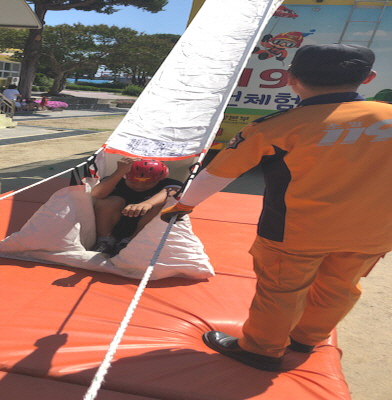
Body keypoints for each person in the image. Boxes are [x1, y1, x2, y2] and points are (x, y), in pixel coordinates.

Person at [161, 44, 392, 371]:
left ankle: (261, 349)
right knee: (340, 286)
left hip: (296, 231)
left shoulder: (275, 127)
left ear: (290, 78)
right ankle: (308, 338)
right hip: (375, 232)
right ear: (368, 78)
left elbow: (217, 175)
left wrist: (182, 205)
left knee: (281, 291)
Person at [91, 157, 182, 256]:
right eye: (133, 182)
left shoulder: (170, 184)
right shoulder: (116, 180)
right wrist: (120, 171)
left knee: (165, 205)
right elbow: (97, 194)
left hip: (142, 229)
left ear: (159, 180)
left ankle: (130, 242)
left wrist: (148, 204)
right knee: (109, 202)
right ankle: (105, 240)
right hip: (114, 225)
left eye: (148, 183)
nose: (139, 186)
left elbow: (169, 193)